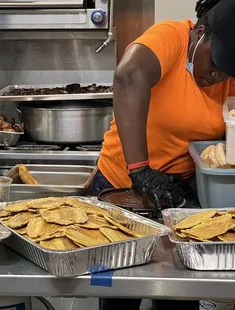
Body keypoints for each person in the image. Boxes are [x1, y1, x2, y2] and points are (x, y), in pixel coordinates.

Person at [91, 0, 235, 309]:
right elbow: (129, 76)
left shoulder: (228, 79)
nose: (217, 76)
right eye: (215, 62)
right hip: (122, 188)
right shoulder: (171, 37)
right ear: (199, 34)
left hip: (175, 196)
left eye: (227, 72)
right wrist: (140, 170)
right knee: (121, 294)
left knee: (178, 296)